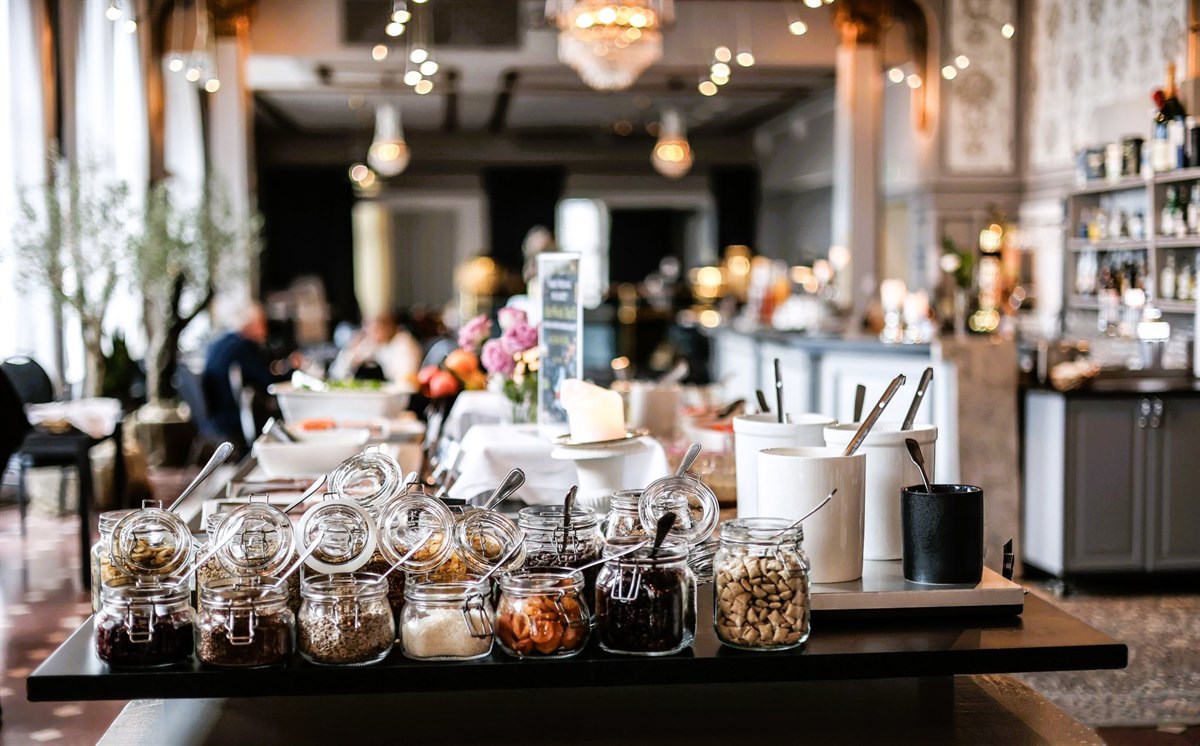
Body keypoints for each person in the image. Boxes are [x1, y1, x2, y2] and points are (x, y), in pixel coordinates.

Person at [202, 303, 289, 452]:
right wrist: (291, 370)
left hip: (215, 414)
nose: (265, 329)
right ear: (251, 325)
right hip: (234, 416)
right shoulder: (241, 347)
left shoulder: (219, 343)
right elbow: (267, 383)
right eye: (262, 323)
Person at [328, 310, 422, 384]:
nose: (370, 333)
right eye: (366, 327)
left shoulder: (403, 343)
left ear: (388, 327)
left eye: (376, 329)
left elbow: (407, 379)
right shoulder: (368, 344)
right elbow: (336, 374)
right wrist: (351, 353)